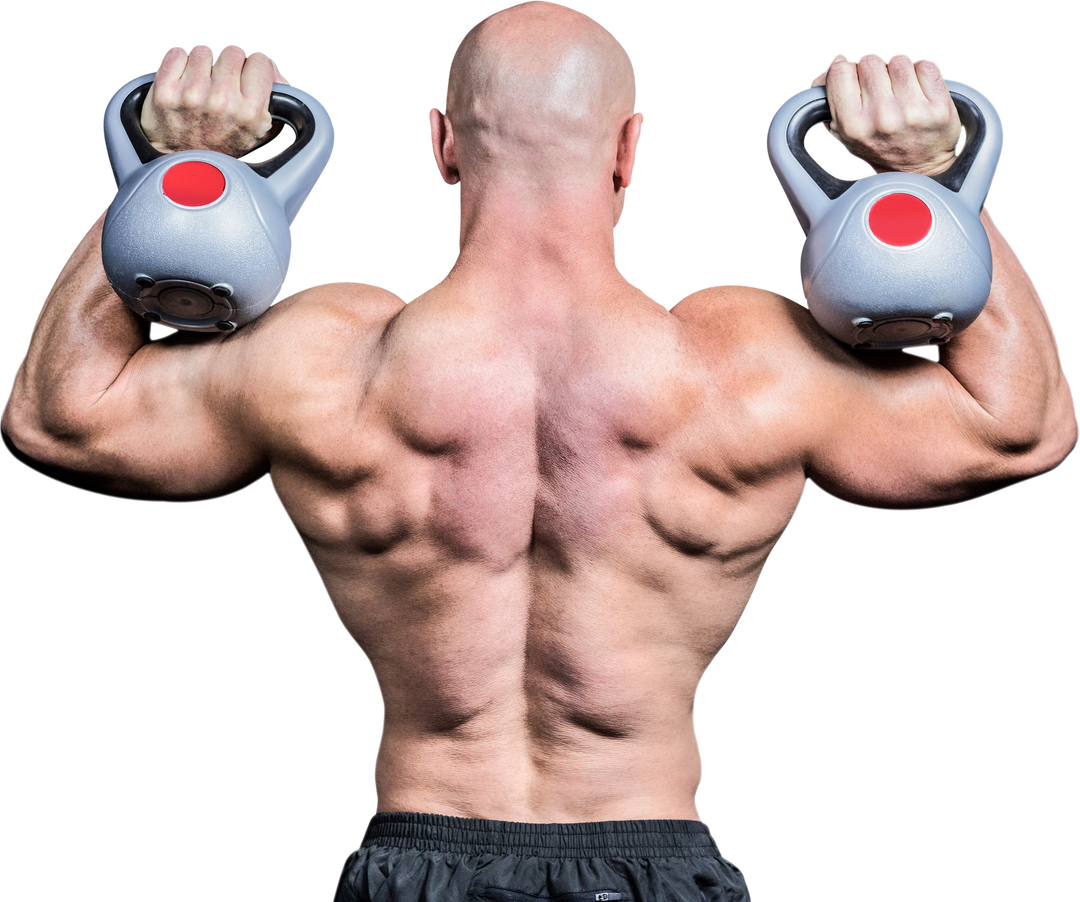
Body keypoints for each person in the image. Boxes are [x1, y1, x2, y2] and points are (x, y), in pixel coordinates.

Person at [3, 2, 1076, 900]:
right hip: (651, 859)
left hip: (415, 856)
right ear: (630, 149)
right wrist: (932, 178)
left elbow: (61, 414)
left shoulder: (329, 358)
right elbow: (1018, 426)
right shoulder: (740, 363)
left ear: (440, 144)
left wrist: (171, 169)